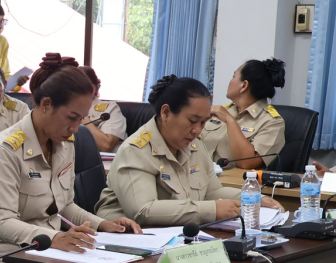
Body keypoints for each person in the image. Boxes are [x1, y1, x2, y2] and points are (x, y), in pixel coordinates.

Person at [0, 61, 141, 263]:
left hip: (52, 253)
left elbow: (65, 206)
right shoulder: (4, 151)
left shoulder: (65, 144)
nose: (75, 129)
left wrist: (104, 225)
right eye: (71, 118)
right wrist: (57, 237)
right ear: (46, 105)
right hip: (6, 259)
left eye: (81, 119)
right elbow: (3, 223)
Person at [96, 76, 283, 226]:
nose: (197, 130)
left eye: (203, 122)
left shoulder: (194, 144)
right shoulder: (136, 150)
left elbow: (212, 192)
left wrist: (252, 199)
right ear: (166, 112)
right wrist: (211, 210)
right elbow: (144, 211)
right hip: (128, 240)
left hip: (179, 235)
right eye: (192, 121)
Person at [198, 58, 287, 169]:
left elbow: (247, 163)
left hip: (232, 184)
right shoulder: (221, 111)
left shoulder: (272, 122)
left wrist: (230, 121)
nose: (230, 81)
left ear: (244, 85)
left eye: (233, 76)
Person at [79, 65, 127, 153]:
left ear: (92, 89)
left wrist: (83, 118)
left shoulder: (110, 109)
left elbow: (106, 146)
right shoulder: (63, 110)